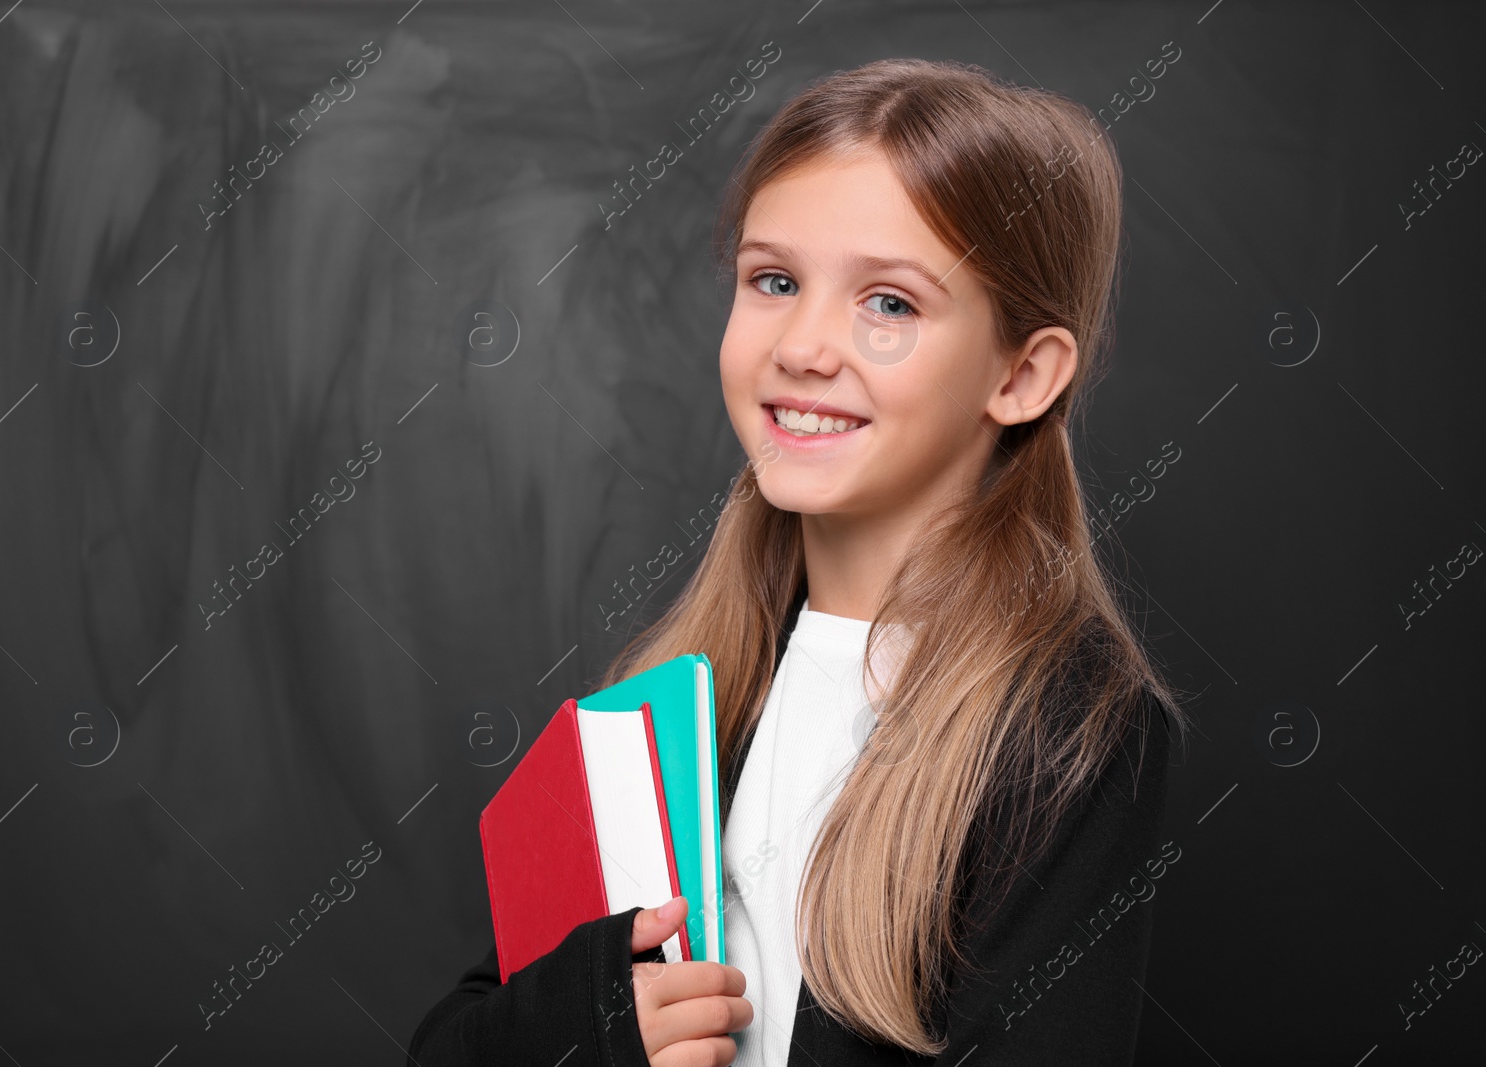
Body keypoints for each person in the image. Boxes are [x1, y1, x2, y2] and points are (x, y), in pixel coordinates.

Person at [407, 56, 1192, 1066]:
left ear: (1020, 373)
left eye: (891, 304)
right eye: (773, 281)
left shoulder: (1070, 730)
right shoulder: (675, 698)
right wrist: (595, 1028)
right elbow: (454, 1041)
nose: (806, 346)